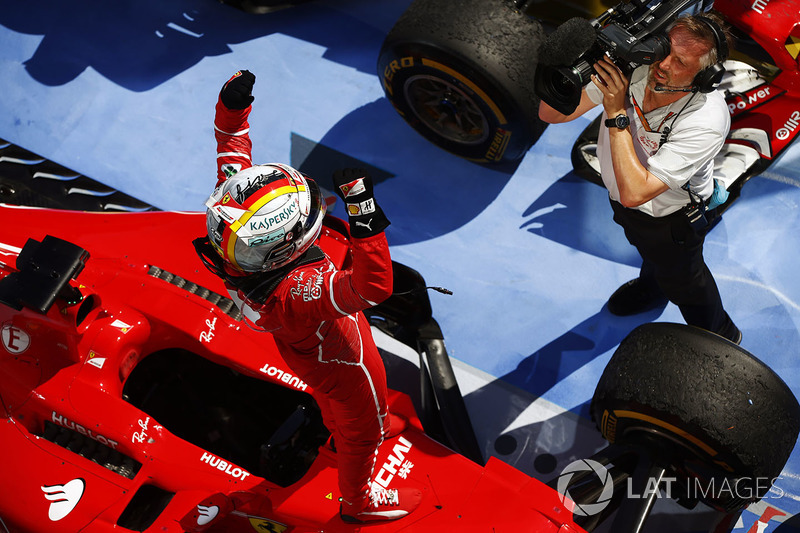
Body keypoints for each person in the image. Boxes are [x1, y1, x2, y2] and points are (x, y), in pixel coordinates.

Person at [194, 70, 422, 523]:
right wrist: (361, 209)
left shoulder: (234, 224)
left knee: (333, 405)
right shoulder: (299, 291)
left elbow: (231, 148)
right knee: (366, 432)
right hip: (343, 358)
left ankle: (343, 433)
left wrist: (231, 107)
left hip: (306, 353)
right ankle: (358, 503)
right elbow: (373, 286)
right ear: (284, 247)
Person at [538, 12, 741, 344]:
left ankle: (719, 334)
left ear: (705, 77)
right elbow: (551, 114)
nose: (662, 65)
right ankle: (652, 289)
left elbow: (636, 192)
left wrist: (615, 111)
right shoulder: (636, 67)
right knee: (649, 252)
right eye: (665, 50)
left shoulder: (707, 119)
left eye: (680, 62)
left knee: (686, 280)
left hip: (672, 215)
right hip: (624, 198)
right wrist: (561, 62)